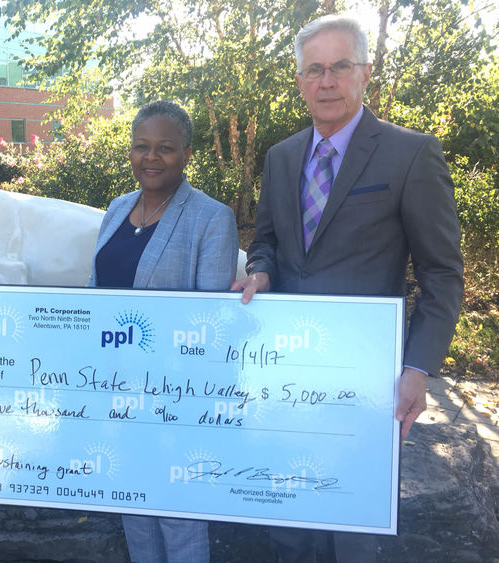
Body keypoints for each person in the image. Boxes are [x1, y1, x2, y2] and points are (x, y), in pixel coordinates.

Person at [231, 14, 463, 562]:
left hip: (367, 382)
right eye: (315, 69)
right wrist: (261, 270)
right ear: (299, 82)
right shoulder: (281, 157)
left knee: (354, 535)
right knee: (289, 527)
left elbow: (442, 273)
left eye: (340, 66)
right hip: (289, 376)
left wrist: (417, 367)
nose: (327, 81)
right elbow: (266, 241)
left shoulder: (410, 154)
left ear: (365, 74)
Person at [88, 100, 238, 562]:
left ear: (187, 154)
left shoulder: (212, 218)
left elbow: (211, 328)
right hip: (116, 387)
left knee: (179, 509)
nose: (151, 158)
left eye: (165, 148)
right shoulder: (116, 209)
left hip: (177, 396)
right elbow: (94, 295)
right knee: (133, 497)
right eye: (141, 147)